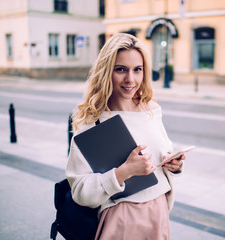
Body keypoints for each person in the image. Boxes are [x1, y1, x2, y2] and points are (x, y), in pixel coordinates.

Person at [66, 33, 185, 240]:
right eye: (121, 69)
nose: (131, 79)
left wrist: (174, 165)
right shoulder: (92, 121)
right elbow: (80, 191)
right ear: (106, 72)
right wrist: (123, 172)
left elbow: (163, 152)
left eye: (137, 70)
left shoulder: (151, 109)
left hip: (159, 213)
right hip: (121, 220)